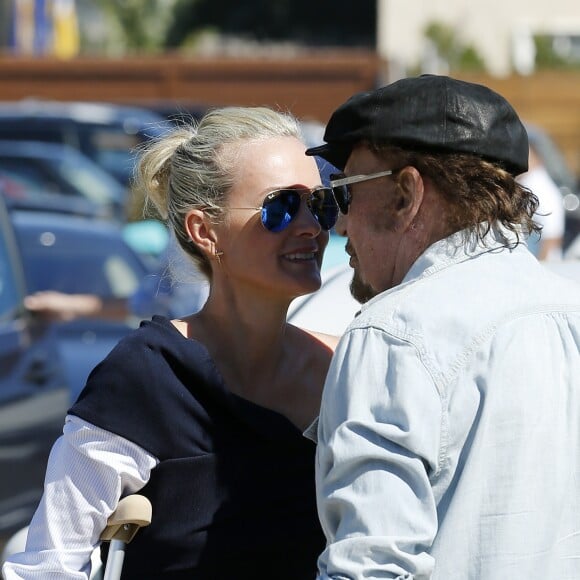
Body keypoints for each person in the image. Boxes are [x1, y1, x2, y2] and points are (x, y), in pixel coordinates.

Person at [3, 105, 340, 579]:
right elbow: (49, 564)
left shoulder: (343, 369)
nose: (310, 226)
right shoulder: (146, 376)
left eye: (321, 204)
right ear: (205, 231)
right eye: (280, 207)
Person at [305, 74, 580, 579]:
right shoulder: (571, 311)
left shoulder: (393, 334)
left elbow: (370, 567)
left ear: (406, 194)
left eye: (344, 193)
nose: (339, 223)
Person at [517, 143, 565, 261]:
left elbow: (552, 236)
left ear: (537, 158)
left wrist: (540, 265)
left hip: (542, 263)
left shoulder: (540, 187)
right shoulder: (529, 184)